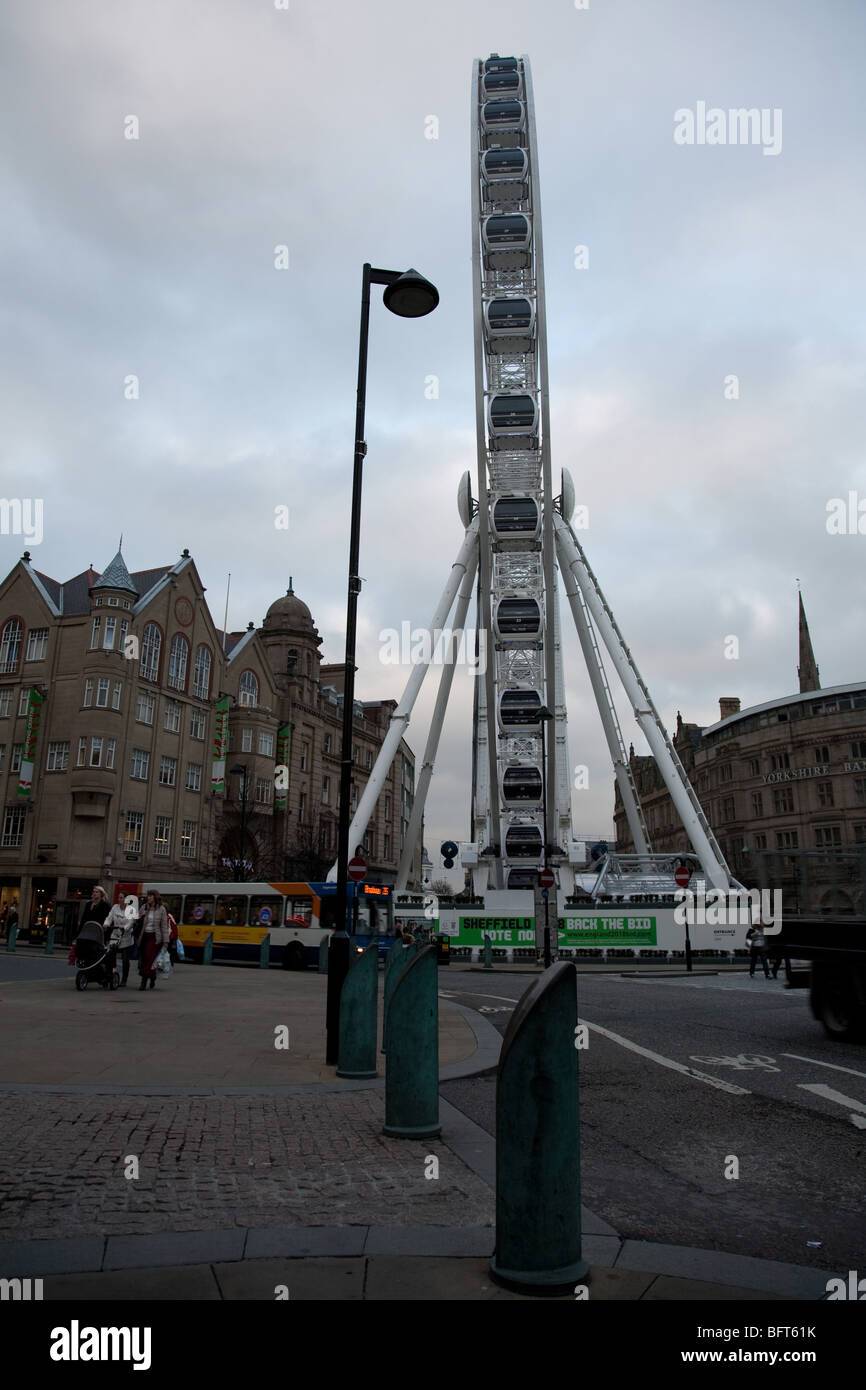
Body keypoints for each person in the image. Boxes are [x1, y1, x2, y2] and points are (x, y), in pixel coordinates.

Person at [136, 890, 170, 991]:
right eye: (148, 896)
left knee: (149, 958)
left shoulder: (161, 909)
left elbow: (164, 926)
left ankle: (144, 981)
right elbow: (136, 919)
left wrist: (166, 941)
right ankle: (152, 976)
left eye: (150, 896)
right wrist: (141, 915)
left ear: (155, 897)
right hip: (144, 936)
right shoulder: (144, 907)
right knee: (145, 959)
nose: (149, 898)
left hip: (155, 938)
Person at [104, 894, 137, 987]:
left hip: (126, 937)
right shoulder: (115, 907)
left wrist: (124, 927)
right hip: (115, 935)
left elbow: (131, 922)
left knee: (125, 960)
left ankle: (124, 979)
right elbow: (109, 917)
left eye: (121, 897)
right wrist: (106, 924)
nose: (119, 899)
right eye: (118, 897)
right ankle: (111, 975)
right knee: (110, 957)